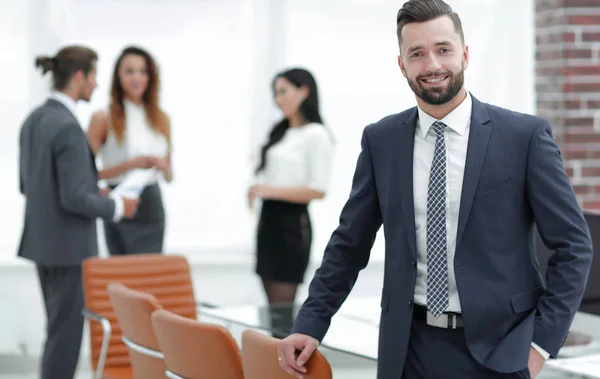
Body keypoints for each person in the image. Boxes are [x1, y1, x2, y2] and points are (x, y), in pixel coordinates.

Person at [277, 1, 593, 378]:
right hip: (409, 348)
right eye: (417, 53)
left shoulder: (523, 137)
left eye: (443, 49)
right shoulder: (382, 140)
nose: (432, 65)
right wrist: (310, 322)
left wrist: (540, 343)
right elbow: (349, 244)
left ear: (464, 54)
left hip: (502, 350)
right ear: (402, 65)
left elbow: (574, 245)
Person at [18, 45, 139, 379]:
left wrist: (87, 188)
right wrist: (117, 206)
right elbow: (72, 199)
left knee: (58, 332)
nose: (97, 85)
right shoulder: (69, 126)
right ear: (78, 76)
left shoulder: (33, 120)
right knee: (66, 337)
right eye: (94, 77)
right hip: (69, 249)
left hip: (43, 246)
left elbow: (31, 186)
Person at [248, 68, 334, 319]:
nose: (278, 99)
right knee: (270, 310)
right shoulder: (280, 132)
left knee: (282, 311)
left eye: (283, 91)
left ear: (304, 91)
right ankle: (270, 356)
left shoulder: (316, 135)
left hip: (291, 226)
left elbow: (318, 190)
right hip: (268, 222)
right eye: (275, 93)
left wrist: (267, 190)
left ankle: (284, 357)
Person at [87, 46, 172, 255]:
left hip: (151, 202)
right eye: (129, 71)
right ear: (118, 76)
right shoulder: (103, 118)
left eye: (143, 71)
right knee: (123, 273)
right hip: (119, 201)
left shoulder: (161, 119)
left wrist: (163, 167)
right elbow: (85, 173)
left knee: (150, 274)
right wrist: (131, 165)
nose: (137, 77)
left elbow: (170, 176)